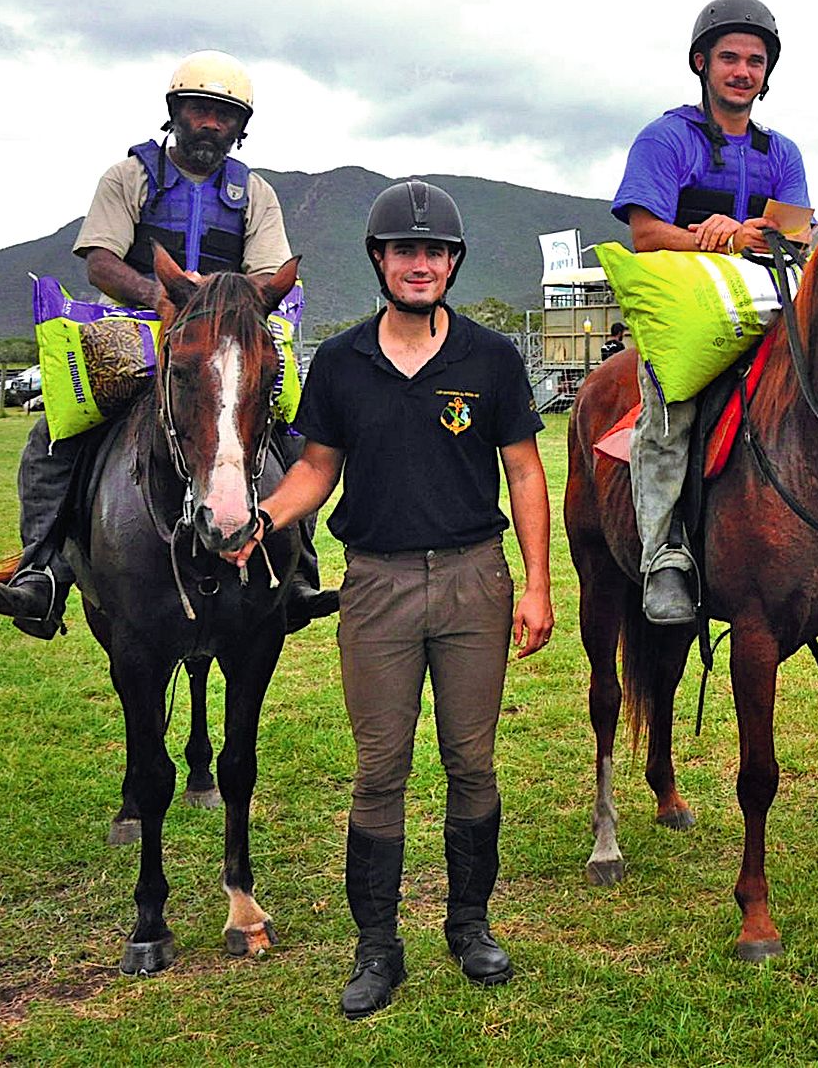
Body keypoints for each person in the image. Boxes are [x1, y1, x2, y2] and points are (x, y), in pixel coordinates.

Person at [223, 181, 555, 1016]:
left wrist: (540, 585)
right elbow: (315, 469)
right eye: (404, 250)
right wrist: (263, 517)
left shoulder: (491, 359)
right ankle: (377, 948)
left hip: (477, 577)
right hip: (376, 585)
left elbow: (522, 471)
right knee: (379, 771)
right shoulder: (340, 362)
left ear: (452, 262)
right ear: (379, 260)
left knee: (470, 763)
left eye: (434, 250)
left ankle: (469, 925)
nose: (420, 263)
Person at [0, 51, 334, 637]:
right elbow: (99, 261)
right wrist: (159, 294)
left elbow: (269, 272)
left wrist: (220, 304)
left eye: (225, 117)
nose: (210, 125)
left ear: (240, 128)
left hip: (227, 335)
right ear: (176, 112)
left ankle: (295, 573)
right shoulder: (129, 178)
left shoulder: (256, 194)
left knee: (292, 425)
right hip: (135, 329)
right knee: (56, 430)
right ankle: (41, 571)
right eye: (199, 110)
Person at [609, 0, 808, 626]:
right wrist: (708, 236)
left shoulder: (783, 153)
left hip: (766, 299)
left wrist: (748, 231)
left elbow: (795, 235)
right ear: (702, 63)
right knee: (671, 414)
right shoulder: (666, 138)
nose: (743, 71)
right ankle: (664, 555)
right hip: (688, 312)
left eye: (755, 61)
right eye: (729, 58)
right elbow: (644, 233)